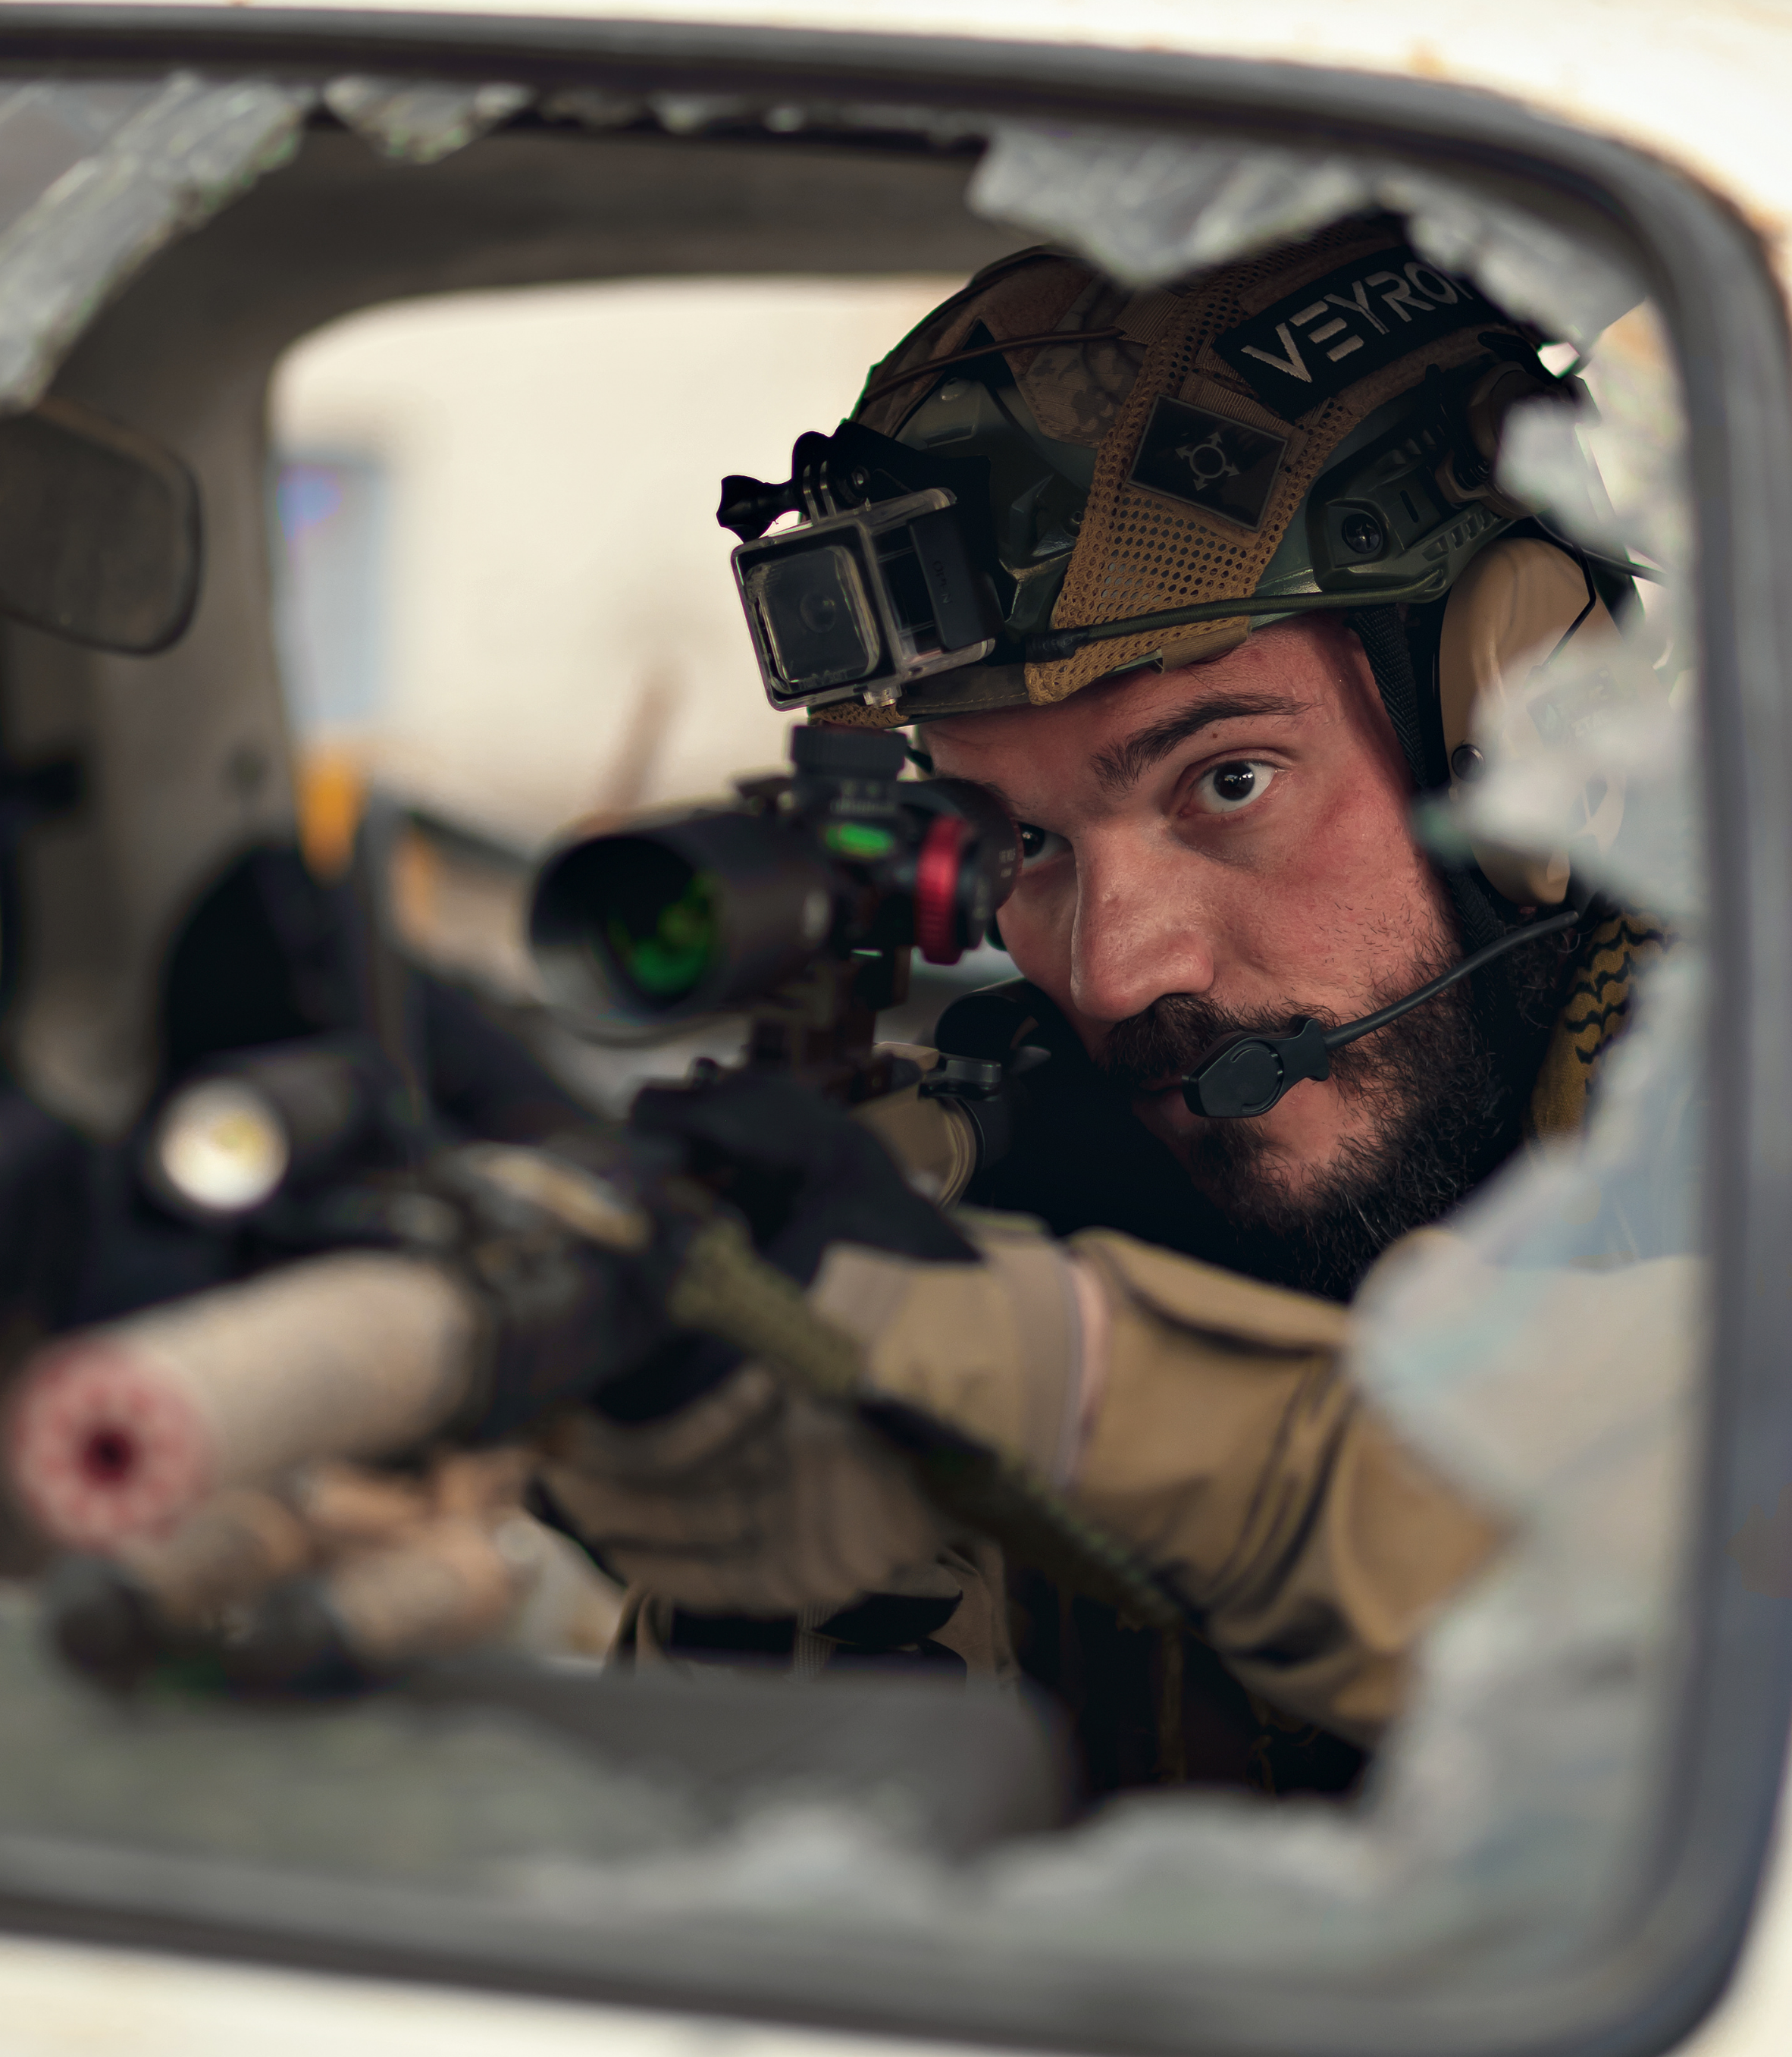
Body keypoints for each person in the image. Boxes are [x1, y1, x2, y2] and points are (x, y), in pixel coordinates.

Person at [547, 216, 1667, 1798]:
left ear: (1529, 722)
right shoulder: (1012, 1211)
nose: (1114, 967)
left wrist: (1066, 1381)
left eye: (1228, 779)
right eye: (1020, 840)